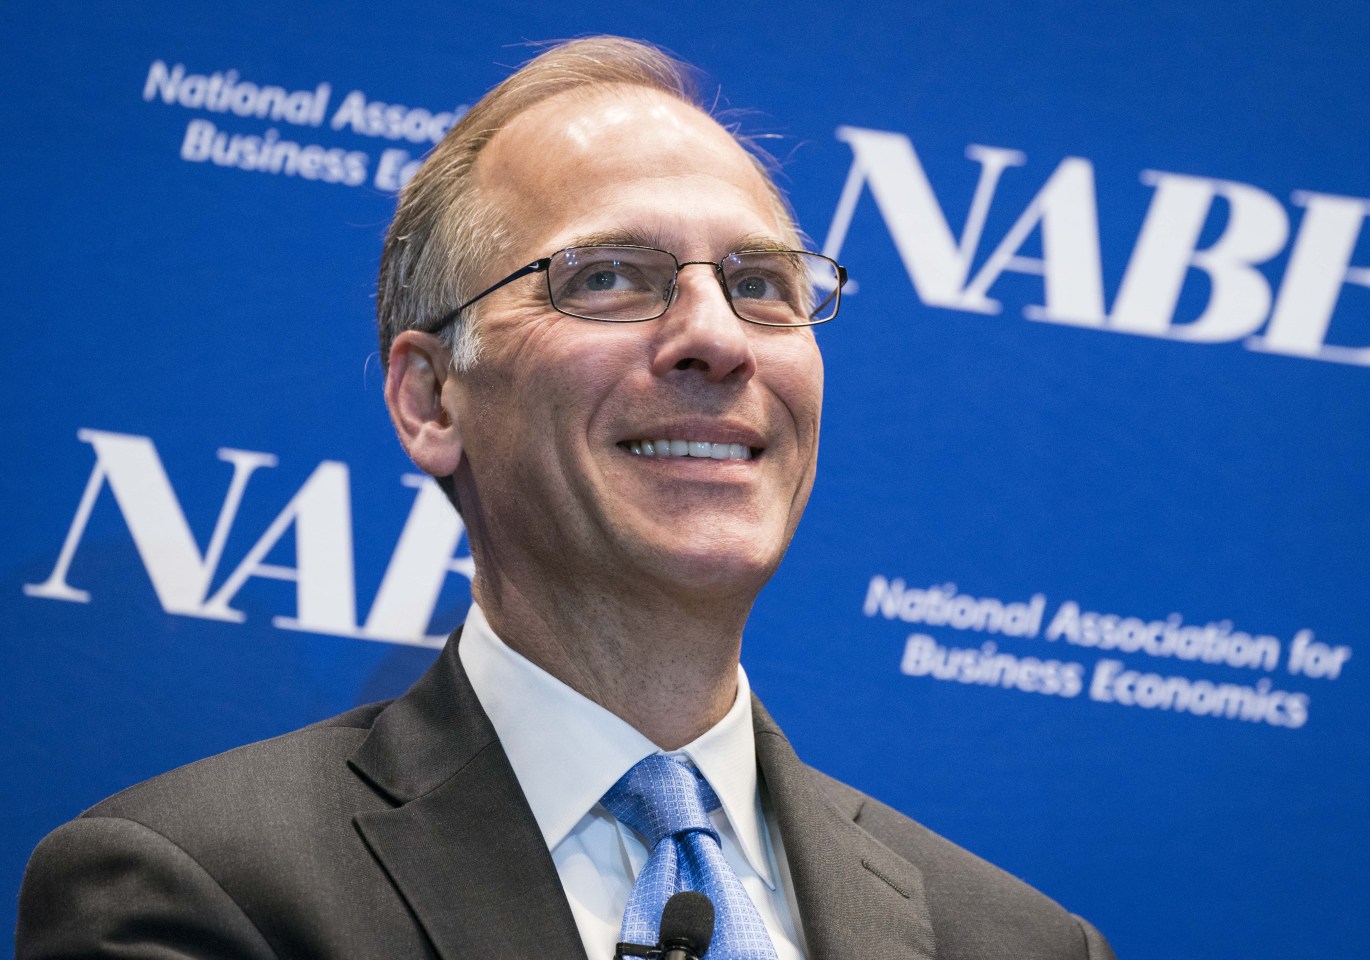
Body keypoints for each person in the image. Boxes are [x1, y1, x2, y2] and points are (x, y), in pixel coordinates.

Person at [17, 36, 1116, 960]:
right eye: (608, 277)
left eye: (760, 285)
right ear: (431, 399)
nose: (717, 338)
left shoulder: (1021, 942)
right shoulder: (197, 892)